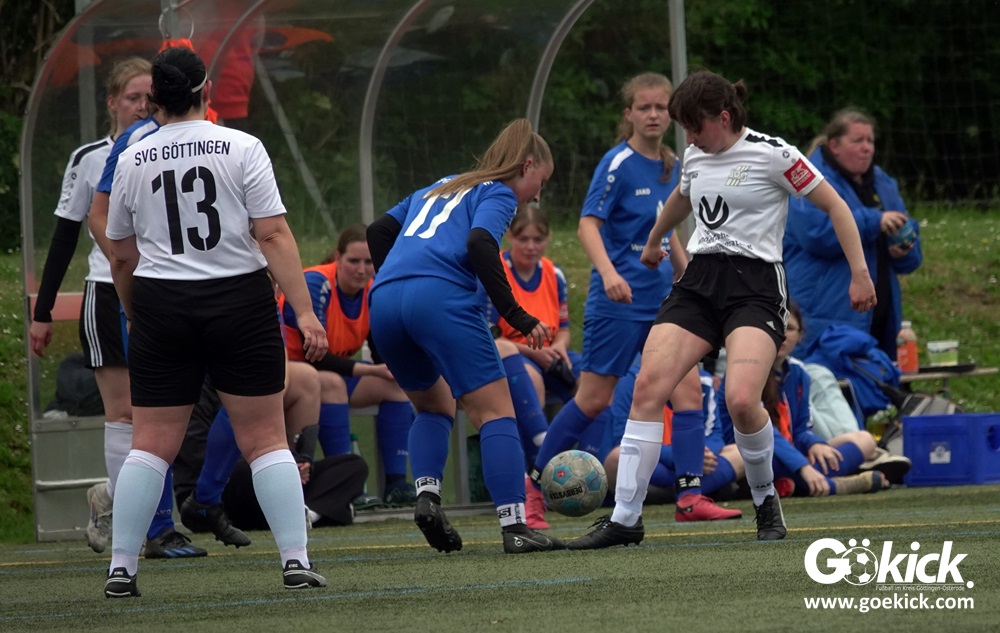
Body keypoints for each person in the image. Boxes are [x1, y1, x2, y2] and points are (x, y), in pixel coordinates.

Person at [567, 69, 877, 549]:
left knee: (741, 400)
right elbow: (681, 197)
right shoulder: (695, 155)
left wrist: (860, 273)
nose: (689, 139)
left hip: (756, 287)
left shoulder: (775, 154)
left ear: (725, 117)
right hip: (699, 282)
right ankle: (626, 518)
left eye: (695, 127)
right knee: (649, 386)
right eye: (685, 130)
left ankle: (765, 498)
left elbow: (837, 207)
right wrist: (654, 240)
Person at [102, 46, 329, 597]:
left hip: (161, 301)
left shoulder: (132, 156)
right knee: (266, 438)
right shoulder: (242, 146)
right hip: (238, 299)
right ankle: (295, 562)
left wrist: (136, 310)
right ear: (206, 91)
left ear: (153, 98)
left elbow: (121, 255)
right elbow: (271, 233)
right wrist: (304, 311)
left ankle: (121, 568)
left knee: (150, 443)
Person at [529, 72, 736, 523]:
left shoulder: (674, 164)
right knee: (594, 399)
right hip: (619, 301)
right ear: (629, 114)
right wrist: (608, 274)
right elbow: (587, 224)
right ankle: (532, 489)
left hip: (665, 302)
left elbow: (666, 225)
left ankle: (690, 497)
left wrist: (684, 273)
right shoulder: (617, 163)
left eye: (661, 107)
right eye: (644, 107)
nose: (654, 115)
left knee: (688, 392)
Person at [26, 57, 203, 558]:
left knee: (167, 411)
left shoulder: (174, 146)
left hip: (164, 291)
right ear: (112, 102)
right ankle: (151, 529)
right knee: (125, 413)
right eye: (132, 97)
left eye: (149, 96)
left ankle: (111, 497)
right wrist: (42, 313)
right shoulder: (92, 158)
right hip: (107, 291)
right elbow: (65, 234)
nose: (142, 105)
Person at [366, 118, 562, 554]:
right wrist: (516, 314)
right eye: (542, 182)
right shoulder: (499, 192)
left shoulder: (440, 186)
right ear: (527, 166)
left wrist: (396, 281)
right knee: (496, 413)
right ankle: (515, 526)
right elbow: (479, 242)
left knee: (433, 405)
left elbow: (377, 231)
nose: (537, 195)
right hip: (441, 298)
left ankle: (428, 498)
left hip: (384, 302)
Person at [278, 225, 416, 507]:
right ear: (338, 258)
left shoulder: (373, 289)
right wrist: (369, 369)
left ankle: (396, 485)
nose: (361, 269)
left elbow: (379, 349)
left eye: (368, 262)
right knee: (332, 384)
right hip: (290, 371)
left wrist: (396, 369)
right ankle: (344, 487)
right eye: (354, 261)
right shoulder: (316, 283)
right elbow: (315, 355)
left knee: (394, 386)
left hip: (331, 372)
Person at [715, 302, 906, 498]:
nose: (782, 334)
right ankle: (831, 485)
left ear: (800, 335)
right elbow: (765, 434)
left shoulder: (798, 372)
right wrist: (802, 466)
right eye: (774, 326)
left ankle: (793, 484)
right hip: (754, 453)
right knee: (753, 456)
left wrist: (815, 444)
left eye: (789, 328)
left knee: (864, 440)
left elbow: (801, 429)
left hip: (790, 451)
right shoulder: (745, 371)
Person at [783, 108, 922, 360]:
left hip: (879, 318)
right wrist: (874, 221)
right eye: (857, 140)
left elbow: (910, 249)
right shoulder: (806, 179)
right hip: (823, 319)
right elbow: (816, 234)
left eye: (870, 141)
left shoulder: (883, 184)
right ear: (834, 146)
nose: (866, 148)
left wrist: (903, 250)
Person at [601, 363, 745, 507]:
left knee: (741, 452)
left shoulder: (704, 380)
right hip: (656, 462)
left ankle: (678, 491)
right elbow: (623, 437)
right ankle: (694, 489)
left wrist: (700, 455)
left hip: (696, 464)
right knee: (617, 458)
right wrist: (682, 457)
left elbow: (715, 435)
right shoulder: (634, 378)